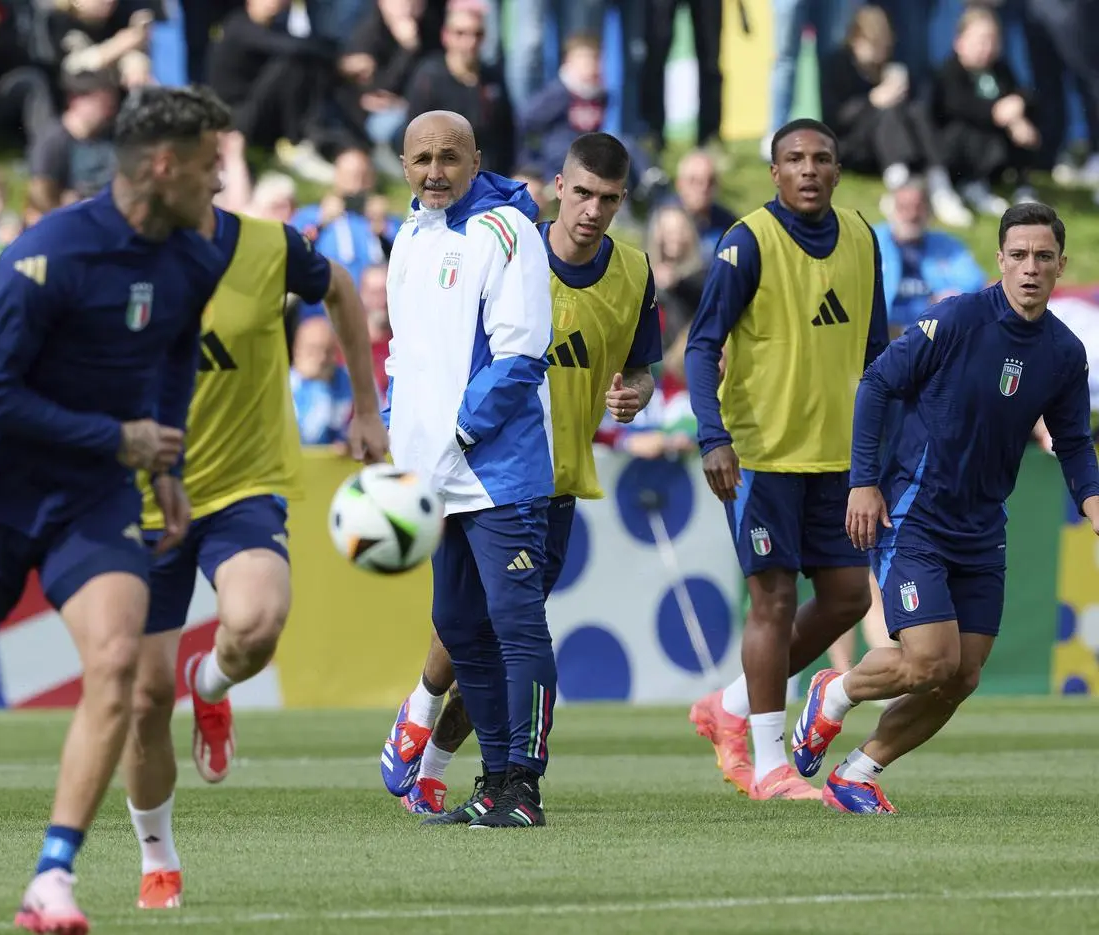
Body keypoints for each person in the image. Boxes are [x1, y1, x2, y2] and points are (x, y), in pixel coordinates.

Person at [0, 85, 235, 933]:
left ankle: (52, 876)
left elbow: (174, 351)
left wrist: (164, 453)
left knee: (121, 662)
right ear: (163, 166)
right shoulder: (46, 257)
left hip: (94, 502)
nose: (222, 182)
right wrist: (119, 437)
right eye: (212, 164)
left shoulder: (194, 256)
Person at [376, 131, 662, 817]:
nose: (593, 211)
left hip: (541, 473)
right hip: (461, 468)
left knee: (508, 627)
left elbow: (637, 361)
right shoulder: (506, 242)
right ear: (560, 187)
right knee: (459, 623)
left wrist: (638, 391)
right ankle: (447, 747)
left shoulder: (630, 272)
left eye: (610, 200)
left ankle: (502, 778)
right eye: (584, 193)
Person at [122, 209, 390, 909]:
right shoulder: (106, 252)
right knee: (143, 699)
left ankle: (208, 684)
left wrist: (367, 405)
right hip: (139, 499)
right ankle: (159, 858)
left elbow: (339, 288)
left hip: (242, 482)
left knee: (258, 621)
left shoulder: (266, 246)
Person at [793, 202, 1099, 813]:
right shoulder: (959, 319)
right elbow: (878, 382)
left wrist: (1093, 503)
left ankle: (858, 772)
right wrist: (862, 482)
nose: (1030, 269)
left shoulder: (1064, 353)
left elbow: (1072, 442)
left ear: (1062, 264)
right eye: (1019, 256)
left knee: (962, 675)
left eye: (1043, 257)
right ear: (1000, 261)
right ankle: (834, 692)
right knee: (930, 658)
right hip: (916, 513)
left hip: (984, 526)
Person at [683, 117, 889, 801]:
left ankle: (731, 705)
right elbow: (701, 344)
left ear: (837, 168)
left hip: (837, 456)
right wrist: (713, 436)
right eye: (794, 159)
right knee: (771, 598)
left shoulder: (862, 238)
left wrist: (883, 448)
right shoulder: (748, 242)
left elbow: (878, 355)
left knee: (847, 597)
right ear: (774, 173)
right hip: (762, 453)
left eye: (821, 158)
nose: (808, 169)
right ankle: (770, 763)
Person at [381, 109, 555, 828]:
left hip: (498, 473)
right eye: (420, 158)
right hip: (434, 479)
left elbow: (520, 354)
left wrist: (455, 434)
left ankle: (525, 783)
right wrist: (402, 439)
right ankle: (494, 780)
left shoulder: (506, 231)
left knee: (516, 627)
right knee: (456, 621)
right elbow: (402, 354)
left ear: (476, 157)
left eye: (449, 157)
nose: (434, 171)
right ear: (403, 163)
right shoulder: (410, 235)